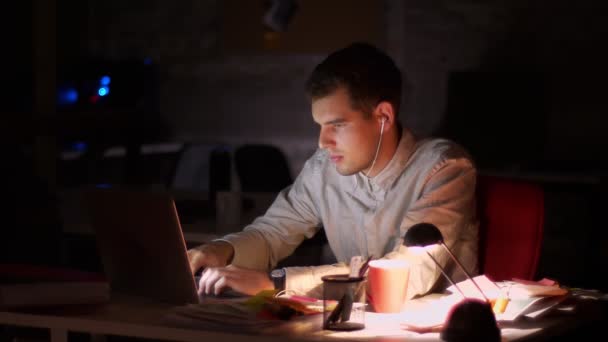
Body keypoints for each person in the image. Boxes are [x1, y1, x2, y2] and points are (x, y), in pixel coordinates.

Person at [187, 42, 478, 299]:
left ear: (383, 117)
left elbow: (406, 273)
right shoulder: (323, 169)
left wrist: (277, 282)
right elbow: (272, 234)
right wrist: (219, 251)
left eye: (337, 125)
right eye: (320, 126)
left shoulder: (444, 169)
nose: (323, 142)